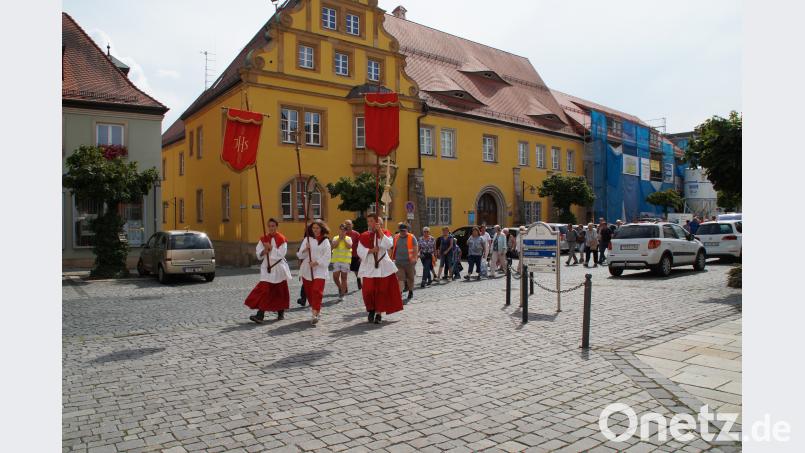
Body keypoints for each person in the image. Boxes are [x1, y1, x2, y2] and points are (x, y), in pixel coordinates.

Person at [357, 214, 404, 324]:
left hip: (383, 266)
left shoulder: (386, 233)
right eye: (368, 221)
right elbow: (359, 250)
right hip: (369, 266)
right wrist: (371, 250)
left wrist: (380, 232)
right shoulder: (364, 235)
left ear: (379, 223)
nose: (370, 223)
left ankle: (378, 313)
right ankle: (371, 309)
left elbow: (389, 245)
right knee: (368, 290)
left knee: (381, 291)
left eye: (372, 221)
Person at [245, 218, 292, 323]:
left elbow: (281, 254)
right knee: (264, 291)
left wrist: (271, 248)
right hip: (267, 268)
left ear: (276, 226)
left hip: (278, 268)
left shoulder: (281, 239)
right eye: (269, 226)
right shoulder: (264, 239)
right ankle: (260, 315)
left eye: (273, 226)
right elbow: (258, 253)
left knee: (279, 291)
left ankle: (281, 312)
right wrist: (264, 251)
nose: (271, 228)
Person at [297, 220, 331, 325]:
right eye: (313, 228)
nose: (315, 230)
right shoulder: (307, 239)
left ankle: (314, 314)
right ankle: (316, 309)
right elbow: (300, 255)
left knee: (317, 290)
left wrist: (316, 263)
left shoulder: (325, 241)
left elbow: (327, 255)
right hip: (308, 269)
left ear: (321, 229)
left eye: (317, 228)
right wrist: (305, 249)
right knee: (310, 292)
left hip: (320, 269)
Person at [392, 223, 419, 301]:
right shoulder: (396, 237)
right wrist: (391, 258)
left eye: (404, 231)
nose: (403, 232)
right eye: (401, 231)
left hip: (409, 262)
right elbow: (393, 248)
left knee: (410, 278)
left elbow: (415, 248)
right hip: (399, 262)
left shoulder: (412, 237)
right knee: (401, 278)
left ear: (407, 230)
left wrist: (415, 258)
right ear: (399, 230)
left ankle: (410, 291)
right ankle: (400, 293)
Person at [330, 223, 353, 301]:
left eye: (344, 230)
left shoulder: (348, 238)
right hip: (336, 260)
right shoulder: (335, 238)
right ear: (339, 230)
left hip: (345, 261)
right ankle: (340, 288)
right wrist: (339, 239)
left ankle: (342, 294)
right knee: (335, 277)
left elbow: (349, 246)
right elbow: (333, 246)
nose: (342, 231)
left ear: (346, 231)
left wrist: (344, 239)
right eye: (341, 230)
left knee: (344, 278)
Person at [344, 219, 362, 291]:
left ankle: (359, 280)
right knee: (344, 272)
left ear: (352, 225)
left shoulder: (356, 234)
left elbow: (360, 245)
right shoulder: (343, 234)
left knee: (356, 271)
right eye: (346, 224)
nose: (347, 226)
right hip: (345, 256)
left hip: (355, 255)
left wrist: (360, 256)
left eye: (349, 224)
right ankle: (345, 287)